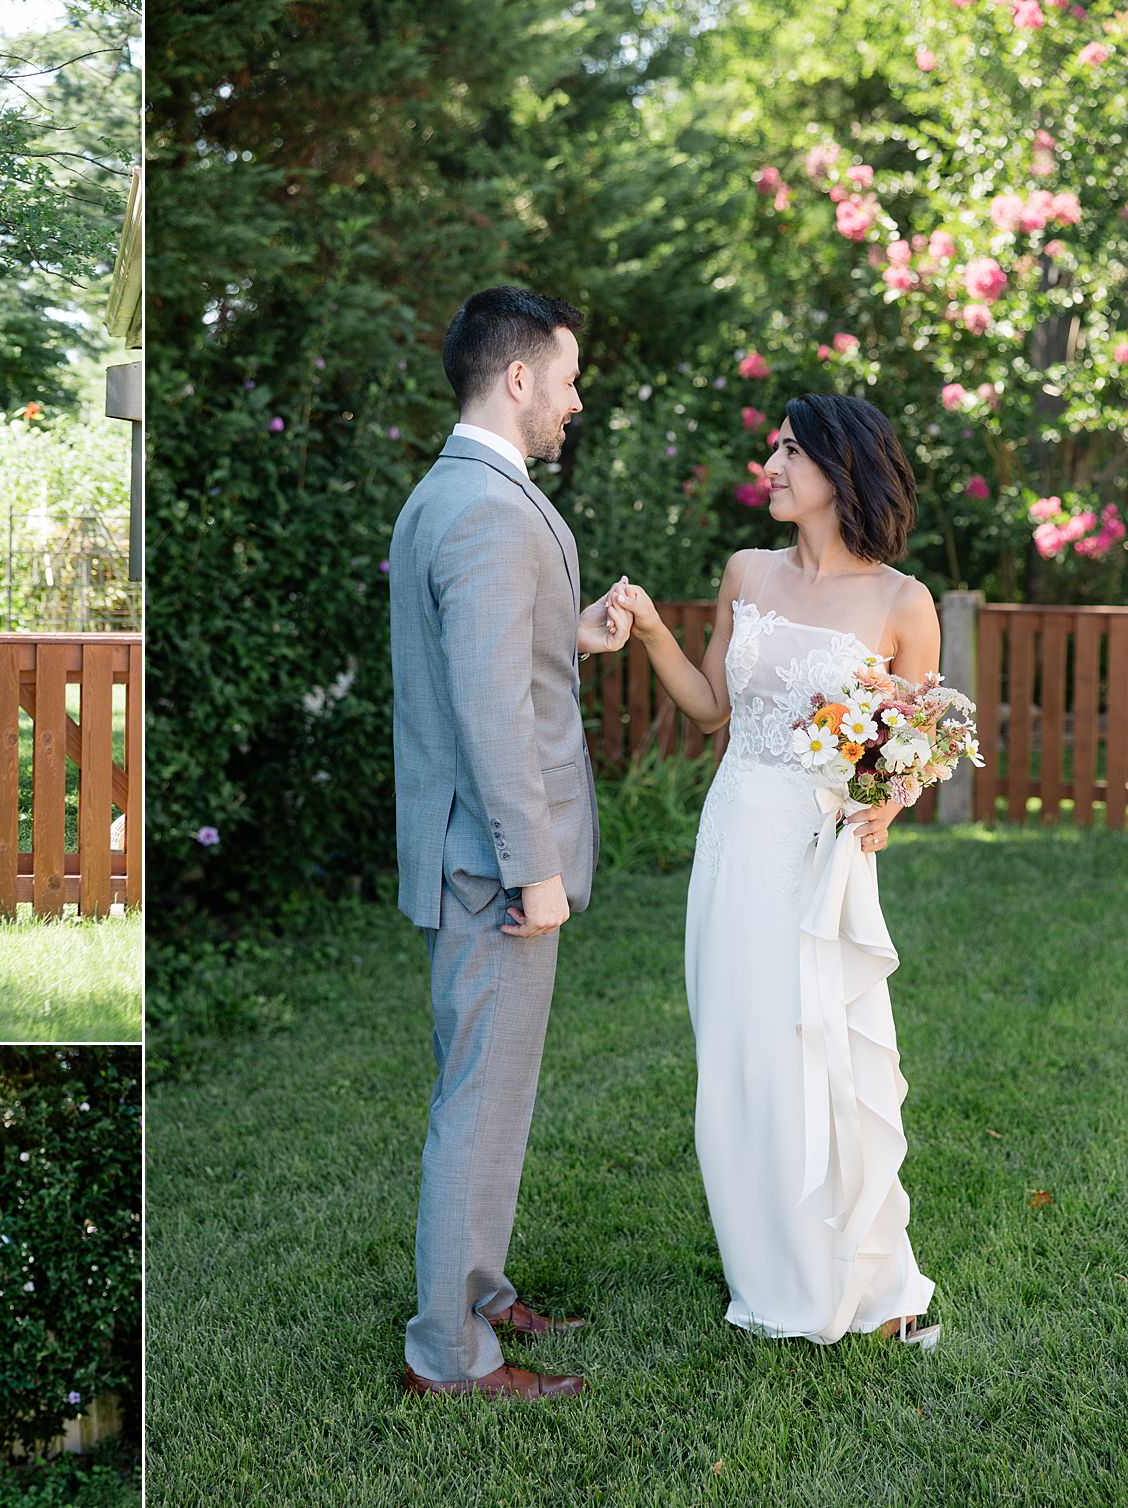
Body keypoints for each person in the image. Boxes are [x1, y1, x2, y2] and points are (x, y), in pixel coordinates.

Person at [610, 393, 942, 1348]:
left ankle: (862, 1274)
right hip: (733, 842)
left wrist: (889, 800)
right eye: (776, 447)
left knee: (821, 1057)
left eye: (792, 450)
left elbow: (912, 750)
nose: (773, 461)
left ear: (843, 471)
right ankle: (768, 1269)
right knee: (739, 1058)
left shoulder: (901, 602)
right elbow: (713, 707)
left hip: (818, 853)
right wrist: (651, 632)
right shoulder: (746, 572)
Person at [387, 285, 634, 1400]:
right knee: (480, 1103)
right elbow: (487, 712)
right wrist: (534, 864)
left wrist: (567, 633)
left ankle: (480, 1288)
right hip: (492, 862)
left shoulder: (452, 491)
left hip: (472, 847)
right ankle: (450, 1356)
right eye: (570, 378)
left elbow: (482, 662)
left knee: (490, 1096)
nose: (576, 401)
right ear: (520, 377)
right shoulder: (487, 505)